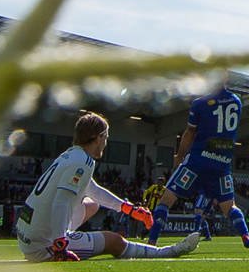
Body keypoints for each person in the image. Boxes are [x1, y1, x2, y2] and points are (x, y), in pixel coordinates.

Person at [15, 111, 198, 262]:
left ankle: (62, 238)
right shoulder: (83, 161)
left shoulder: (71, 155)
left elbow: (93, 191)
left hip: (27, 234)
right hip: (43, 245)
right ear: (99, 137)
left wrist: (129, 209)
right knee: (114, 241)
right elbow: (61, 202)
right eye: (106, 138)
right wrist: (60, 244)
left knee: (91, 204)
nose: (105, 143)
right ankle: (166, 252)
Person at [150, 83, 249, 252]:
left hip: (197, 162)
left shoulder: (200, 103)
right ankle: (246, 237)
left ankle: (152, 242)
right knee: (229, 207)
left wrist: (179, 156)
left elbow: (190, 133)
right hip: (222, 164)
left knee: (166, 200)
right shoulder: (236, 101)